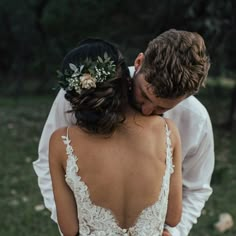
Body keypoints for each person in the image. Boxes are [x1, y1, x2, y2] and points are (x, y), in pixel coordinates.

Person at [33, 29, 214, 236]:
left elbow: (197, 188)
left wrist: (175, 232)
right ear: (138, 62)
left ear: (185, 98)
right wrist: (81, 222)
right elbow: (48, 163)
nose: (147, 111)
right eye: (144, 96)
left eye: (162, 109)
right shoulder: (85, 91)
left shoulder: (196, 120)